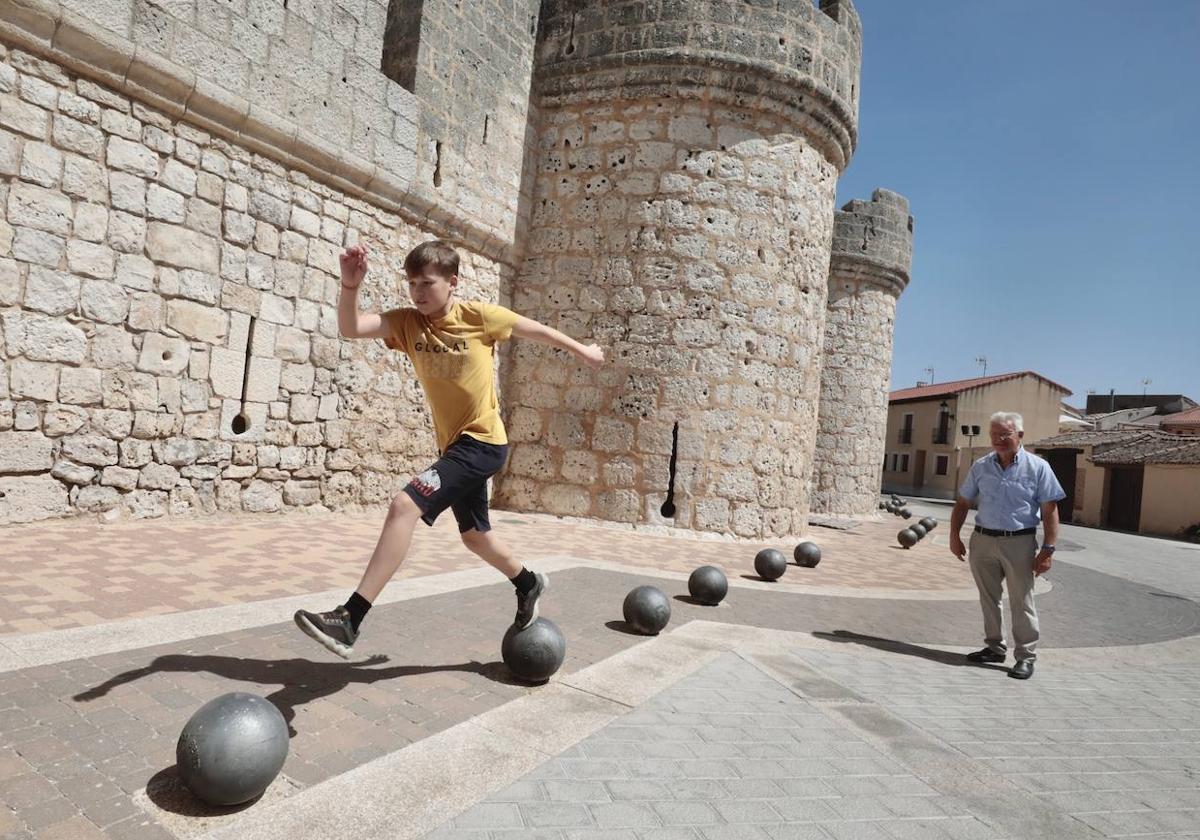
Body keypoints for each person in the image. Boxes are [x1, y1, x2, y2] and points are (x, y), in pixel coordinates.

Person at [294, 239, 605, 658]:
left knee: (404, 506)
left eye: (427, 282)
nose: (418, 292)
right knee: (475, 537)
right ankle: (528, 582)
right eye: (412, 283)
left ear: (452, 282)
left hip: (483, 442)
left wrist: (583, 350)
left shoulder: (478, 317)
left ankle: (350, 618)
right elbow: (351, 329)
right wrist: (350, 286)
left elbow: (538, 330)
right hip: (456, 446)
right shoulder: (407, 323)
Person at [949, 411, 1065, 680]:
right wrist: (954, 536)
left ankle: (1025, 656)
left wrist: (1048, 550)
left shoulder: (1038, 468)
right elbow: (963, 503)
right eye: (994, 434)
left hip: (1019, 542)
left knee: (1021, 601)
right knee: (988, 598)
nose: (999, 439)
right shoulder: (980, 467)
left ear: (1020, 435)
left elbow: (1050, 510)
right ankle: (994, 647)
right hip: (982, 540)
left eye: (1005, 434)